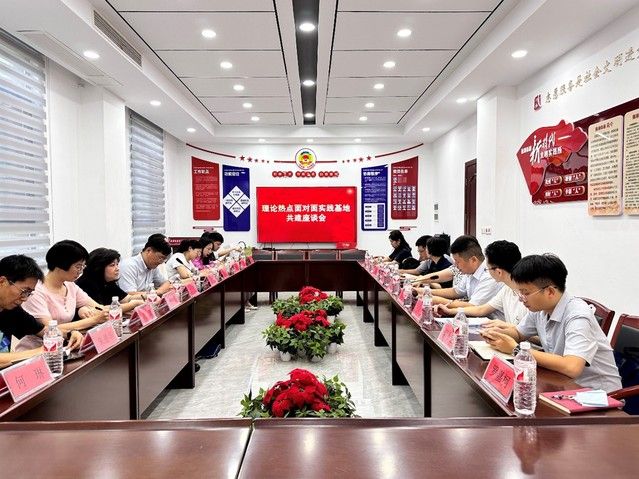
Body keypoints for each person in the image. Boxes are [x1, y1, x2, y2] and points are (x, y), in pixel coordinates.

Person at [480, 254, 622, 392]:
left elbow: (572, 367)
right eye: (520, 293)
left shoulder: (578, 315)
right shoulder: (539, 309)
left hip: (598, 395)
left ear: (550, 292)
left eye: (525, 293)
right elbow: (518, 333)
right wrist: (496, 334)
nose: (521, 299)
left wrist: (516, 349)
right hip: (562, 384)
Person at [16, 241, 108, 351]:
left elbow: (98, 308)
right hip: (36, 350)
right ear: (61, 265)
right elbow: (51, 330)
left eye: (83, 266)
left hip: (64, 346)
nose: (80, 271)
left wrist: (86, 309)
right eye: (78, 267)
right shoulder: (36, 291)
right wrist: (94, 320)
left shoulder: (70, 285)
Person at [0, 255, 82, 367]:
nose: (25, 298)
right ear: (2, 282)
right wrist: (41, 351)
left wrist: (70, 333)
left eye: (29, 293)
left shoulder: (12, 310)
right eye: (24, 291)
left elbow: (44, 330)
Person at [437, 240, 528, 323]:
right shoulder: (507, 289)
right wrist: (450, 311)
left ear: (499, 272)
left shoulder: (527, 295)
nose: (487, 271)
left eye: (488, 269)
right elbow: (482, 309)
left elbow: (527, 332)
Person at [423, 235, 503, 318]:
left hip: (494, 322)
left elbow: (473, 307)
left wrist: (439, 301)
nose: (455, 265)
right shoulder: (469, 271)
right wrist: (427, 292)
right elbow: (457, 291)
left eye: (457, 261)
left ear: (473, 260)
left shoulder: (489, 276)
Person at [75, 248, 145, 313]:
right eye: (112, 265)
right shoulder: (86, 284)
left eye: (117, 264)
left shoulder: (108, 282)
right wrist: (133, 304)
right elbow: (100, 309)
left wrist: (147, 296)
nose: (117, 268)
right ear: (99, 267)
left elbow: (127, 299)